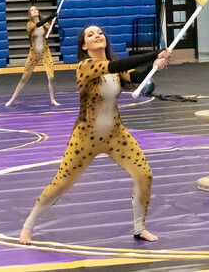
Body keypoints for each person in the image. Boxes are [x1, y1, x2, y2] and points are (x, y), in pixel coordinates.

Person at [18, 25, 171, 245]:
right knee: (61, 183)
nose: (97, 36)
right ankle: (28, 225)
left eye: (100, 33)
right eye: (90, 35)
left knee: (144, 175)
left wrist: (156, 65)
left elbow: (135, 74)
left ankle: (140, 227)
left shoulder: (115, 70)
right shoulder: (86, 67)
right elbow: (119, 64)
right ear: (84, 46)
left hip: (116, 134)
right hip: (85, 138)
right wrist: (154, 54)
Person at [6, 5, 60, 107]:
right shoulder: (30, 24)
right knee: (24, 77)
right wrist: (51, 16)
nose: (34, 11)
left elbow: (51, 31)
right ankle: (12, 98)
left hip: (45, 52)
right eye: (32, 10)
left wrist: (53, 23)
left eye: (35, 9)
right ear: (30, 14)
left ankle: (53, 99)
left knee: (51, 77)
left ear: (38, 11)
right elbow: (38, 24)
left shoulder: (45, 24)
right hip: (33, 53)